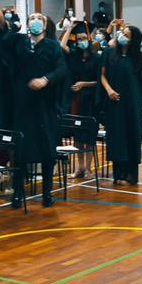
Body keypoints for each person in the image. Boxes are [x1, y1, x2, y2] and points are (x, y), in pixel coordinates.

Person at [0, 0, 65, 207]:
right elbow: (3, 37)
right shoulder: (20, 42)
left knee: (48, 151)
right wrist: (12, 24)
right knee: (19, 150)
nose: (35, 21)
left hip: (45, 106)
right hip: (22, 105)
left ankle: (47, 192)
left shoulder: (53, 46)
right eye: (32, 18)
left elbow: (61, 69)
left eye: (39, 18)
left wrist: (45, 79)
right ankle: (18, 192)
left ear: (44, 25)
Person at [101, 22, 142, 186]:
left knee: (132, 135)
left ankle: (131, 173)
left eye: (126, 35)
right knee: (117, 137)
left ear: (132, 40)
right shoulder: (109, 53)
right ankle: (118, 174)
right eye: (122, 32)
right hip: (115, 103)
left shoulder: (138, 56)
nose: (121, 36)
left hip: (133, 103)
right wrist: (109, 89)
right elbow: (102, 75)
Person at [58, 20, 102, 178]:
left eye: (84, 38)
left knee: (88, 134)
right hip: (76, 99)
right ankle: (80, 167)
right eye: (78, 39)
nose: (81, 41)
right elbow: (62, 46)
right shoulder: (74, 56)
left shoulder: (97, 58)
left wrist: (84, 84)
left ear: (89, 39)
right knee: (77, 134)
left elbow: (100, 81)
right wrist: (70, 28)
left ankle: (89, 168)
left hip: (90, 99)